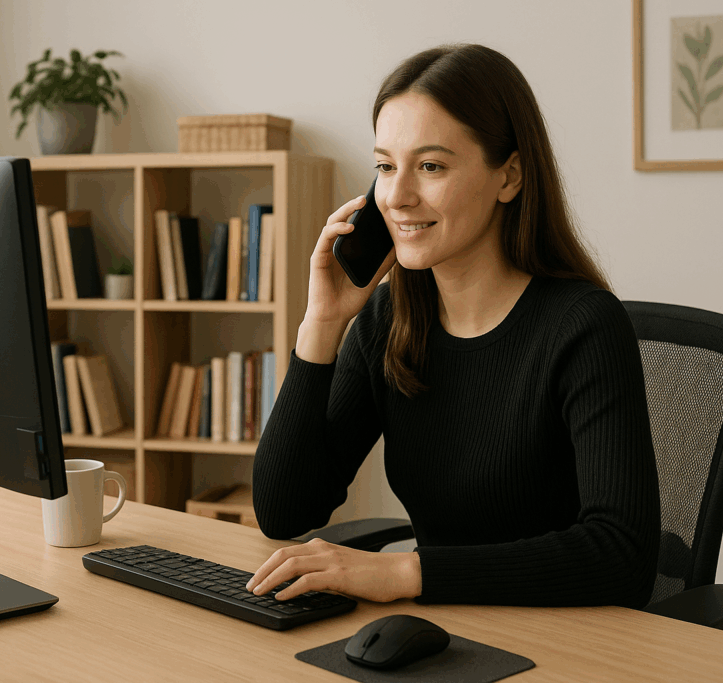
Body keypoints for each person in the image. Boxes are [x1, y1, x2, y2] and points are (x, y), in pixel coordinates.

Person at [246, 43, 661, 609]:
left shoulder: (583, 327)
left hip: (563, 636)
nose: (397, 197)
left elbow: (622, 556)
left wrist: (405, 573)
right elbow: (284, 512)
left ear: (509, 176)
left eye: (431, 166)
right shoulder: (388, 321)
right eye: (385, 167)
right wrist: (322, 322)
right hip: (441, 628)